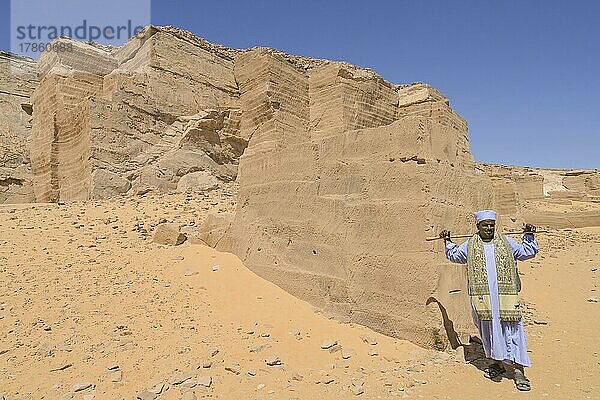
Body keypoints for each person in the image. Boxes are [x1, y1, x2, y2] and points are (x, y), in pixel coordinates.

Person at [439, 210, 538, 392]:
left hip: (506, 299)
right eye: (485, 225)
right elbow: (455, 256)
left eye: (492, 225)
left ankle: (518, 371)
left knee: (512, 331)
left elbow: (526, 252)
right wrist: (447, 241)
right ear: (478, 227)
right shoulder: (470, 245)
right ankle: (496, 362)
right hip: (484, 299)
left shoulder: (506, 242)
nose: (489, 228)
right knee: (489, 330)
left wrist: (529, 235)